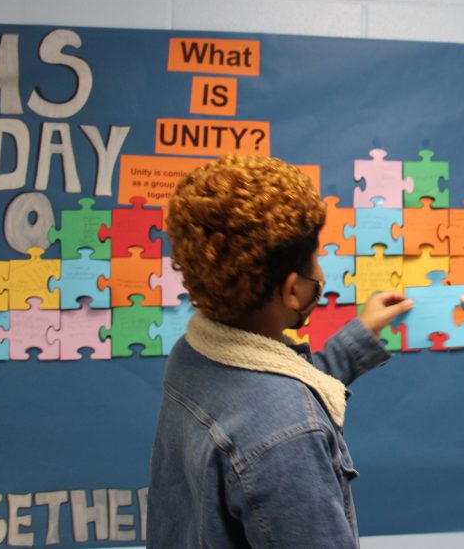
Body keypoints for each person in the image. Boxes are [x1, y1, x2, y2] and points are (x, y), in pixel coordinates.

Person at [147, 154, 412, 548]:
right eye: (316, 258)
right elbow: (277, 417)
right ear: (292, 290)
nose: (321, 271)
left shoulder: (191, 355)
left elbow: (270, 390)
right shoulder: (289, 434)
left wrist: (359, 336)